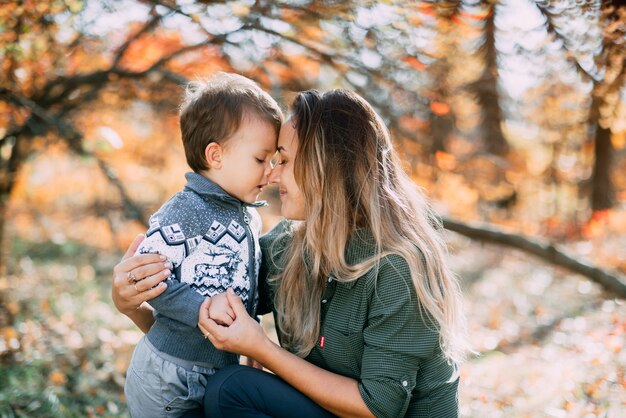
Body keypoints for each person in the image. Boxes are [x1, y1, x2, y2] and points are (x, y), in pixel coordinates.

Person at [113, 89, 468, 418]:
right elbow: (207, 325)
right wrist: (134, 304)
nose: (271, 175)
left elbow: (379, 407)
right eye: (267, 160)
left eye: (282, 160)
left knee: (232, 389)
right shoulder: (291, 244)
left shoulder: (397, 267)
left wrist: (263, 350)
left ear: (325, 167)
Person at [118, 72, 282, 417]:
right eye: (260, 159)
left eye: (273, 161)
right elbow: (149, 281)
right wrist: (200, 309)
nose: (270, 172)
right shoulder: (187, 209)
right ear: (215, 155)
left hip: (217, 369)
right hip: (167, 373)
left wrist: (255, 339)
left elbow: (244, 288)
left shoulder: (249, 217)